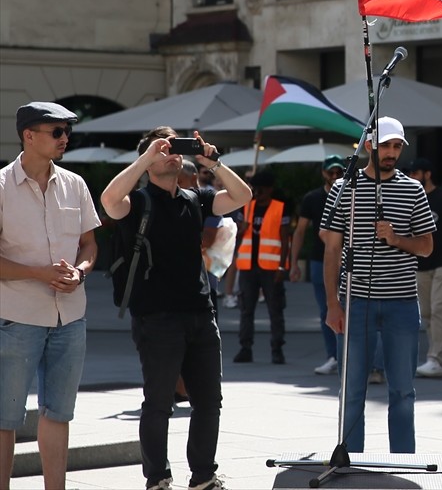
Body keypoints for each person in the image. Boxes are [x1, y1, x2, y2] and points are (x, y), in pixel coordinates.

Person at [100, 125, 251, 490]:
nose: (171, 153)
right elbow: (108, 200)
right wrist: (145, 158)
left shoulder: (194, 198)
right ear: (149, 158)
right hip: (156, 317)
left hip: (200, 313)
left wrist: (211, 162)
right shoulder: (137, 202)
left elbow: (241, 195)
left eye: (173, 147)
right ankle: (158, 478)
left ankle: (203, 476)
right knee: (158, 403)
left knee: (209, 402)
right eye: (162, 149)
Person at [0, 102, 100, 490]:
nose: (65, 139)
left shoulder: (75, 184)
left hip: (70, 318)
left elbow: (90, 245)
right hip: (16, 316)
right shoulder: (3, 188)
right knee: (5, 417)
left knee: (59, 413)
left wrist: (82, 271)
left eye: (66, 132)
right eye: (56, 132)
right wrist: (38, 274)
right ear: (29, 135)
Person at [321, 116, 435, 453]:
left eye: (397, 146)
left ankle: (403, 458)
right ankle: (350, 458)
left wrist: (397, 239)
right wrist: (332, 304)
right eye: (386, 145)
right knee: (352, 388)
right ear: (369, 145)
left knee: (403, 390)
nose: (391, 152)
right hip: (356, 302)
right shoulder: (344, 188)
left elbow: (427, 246)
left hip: (401, 302)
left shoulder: (413, 189)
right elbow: (331, 249)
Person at [290, 155, 346, 375]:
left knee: (353, 311)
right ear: (324, 173)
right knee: (326, 309)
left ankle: (347, 356)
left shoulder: (352, 193)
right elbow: (300, 231)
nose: (335, 176)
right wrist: (294, 263)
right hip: (319, 259)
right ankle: (333, 356)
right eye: (331, 172)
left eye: (339, 172)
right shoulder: (312, 198)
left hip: (347, 261)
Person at [409, 157, 442, 379]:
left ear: (427, 174)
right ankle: (438, 358)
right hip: (421, 263)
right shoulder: (412, 198)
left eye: (415, 173)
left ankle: (436, 358)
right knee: (427, 313)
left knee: (441, 310)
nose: (411, 177)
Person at [233, 171, 290, 364]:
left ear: (270, 189)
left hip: (270, 267)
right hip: (248, 266)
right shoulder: (247, 208)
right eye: (255, 189)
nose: (258, 193)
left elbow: (284, 239)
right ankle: (245, 348)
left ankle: (277, 349)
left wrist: (283, 267)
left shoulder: (280, 208)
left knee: (275, 309)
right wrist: (242, 228)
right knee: (246, 309)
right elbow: (238, 236)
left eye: (262, 189)